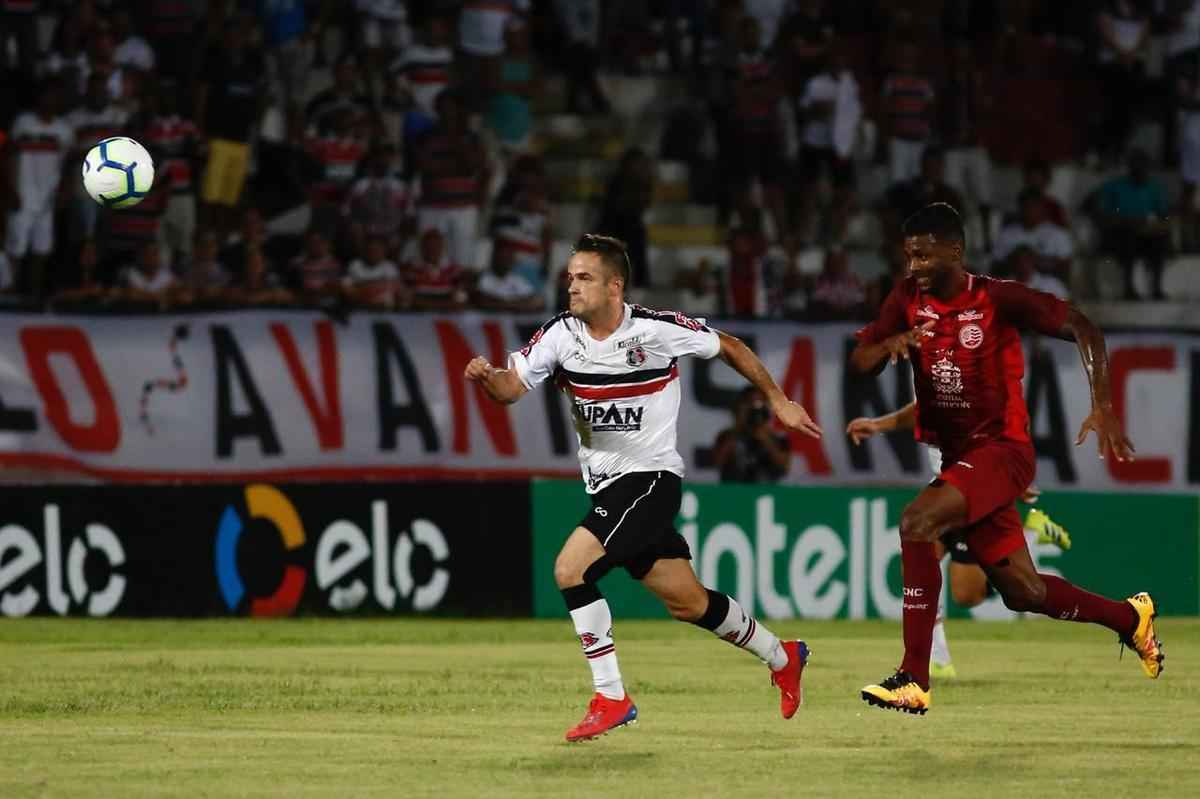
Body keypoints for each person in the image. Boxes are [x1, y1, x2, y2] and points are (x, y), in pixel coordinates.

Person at [464, 234, 823, 741]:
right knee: (688, 602)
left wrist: (779, 400)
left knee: (570, 569)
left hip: (650, 480)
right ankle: (783, 655)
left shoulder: (655, 330)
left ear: (615, 286)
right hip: (606, 487)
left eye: (584, 277)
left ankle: (611, 697)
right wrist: (487, 377)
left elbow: (731, 346)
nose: (572, 287)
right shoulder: (559, 336)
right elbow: (510, 390)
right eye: (570, 277)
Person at [849, 202, 1163, 714]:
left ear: (955, 250)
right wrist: (891, 345)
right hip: (959, 459)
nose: (914, 268)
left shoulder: (998, 299)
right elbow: (860, 358)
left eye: (924, 256)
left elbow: (1084, 327)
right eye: (909, 257)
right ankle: (1130, 620)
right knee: (1023, 591)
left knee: (917, 522)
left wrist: (1102, 404)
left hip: (1002, 452)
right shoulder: (906, 298)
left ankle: (913, 677)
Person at [847, 399, 1074, 679]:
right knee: (916, 564)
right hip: (944, 490)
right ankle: (938, 658)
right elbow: (920, 410)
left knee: (967, 595)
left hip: (973, 493)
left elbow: (1000, 426)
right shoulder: (938, 374)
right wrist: (878, 424)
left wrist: (1015, 473)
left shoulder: (972, 378)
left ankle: (1031, 527)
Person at [712, 386, 792, 483]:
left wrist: (766, 438)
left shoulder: (778, 439)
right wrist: (739, 428)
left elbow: (784, 467)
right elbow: (717, 463)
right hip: (733, 492)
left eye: (760, 402)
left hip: (766, 493)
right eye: (750, 402)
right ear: (741, 406)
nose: (755, 408)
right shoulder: (727, 435)